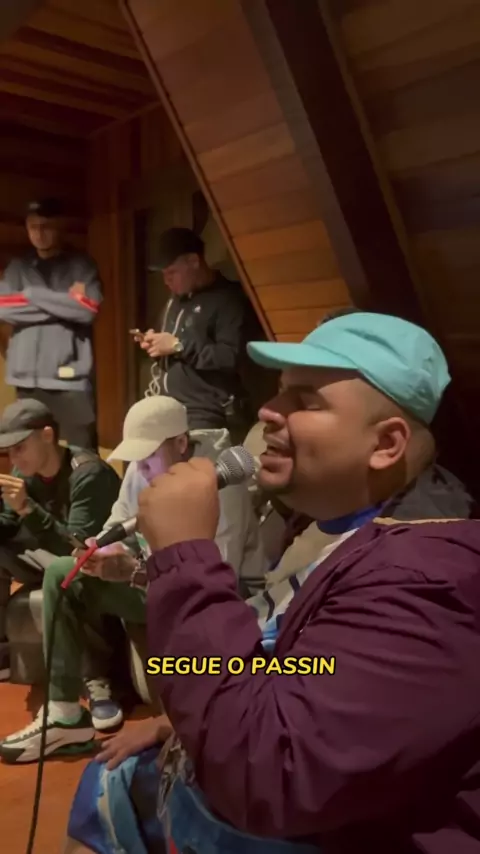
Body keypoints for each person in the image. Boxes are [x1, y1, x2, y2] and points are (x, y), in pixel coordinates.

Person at [64, 312, 480, 854]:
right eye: (280, 390)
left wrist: (184, 557)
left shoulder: (428, 581)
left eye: (305, 400)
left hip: (307, 822)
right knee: (106, 780)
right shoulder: (330, 528)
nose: (267, 410)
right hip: (231, 772)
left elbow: (270, 775)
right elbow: (296, 666)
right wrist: (175, 721)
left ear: (386, 444)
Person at [0, 394, 266, 760]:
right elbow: (118, 522)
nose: (140, 469)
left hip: (224, 598)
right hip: (155, 580)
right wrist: (100, 550)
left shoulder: (221, 485)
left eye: (148, 457)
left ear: (181, 443)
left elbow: (216, 579)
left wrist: (137, 571)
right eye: (136, 459)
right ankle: (64, 714)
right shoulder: (142, 469)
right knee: (65, 571)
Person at [0, 398, 120, 683]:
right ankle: (3, 653)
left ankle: (98, 677)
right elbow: (7, 526)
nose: (14, 460)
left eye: (20, 448)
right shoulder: (24, 472)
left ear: (47, 435)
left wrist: (27, 508)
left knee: (68, 567)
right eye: (9, 452)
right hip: (47, 556)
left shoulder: (87, 473)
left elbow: (78, 548)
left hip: (102, 568)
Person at [139, 226, 259, 454]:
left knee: (197, 475)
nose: (166, 280)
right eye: (163, 273)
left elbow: (230, 356)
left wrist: (178, 346)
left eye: (172, 272)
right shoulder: (175, 301)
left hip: (205, 415)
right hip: (168, 409)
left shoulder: (228, 299)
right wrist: (154, 343)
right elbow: (171, 344)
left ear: (194, 261)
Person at [0, 198, 102, 448]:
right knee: (32, 451)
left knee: (81, 452)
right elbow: (3, 308)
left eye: (45, 226)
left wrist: (32, 295)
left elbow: (87, 309)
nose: (39, 233)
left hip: (69, 379)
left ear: (59, 227)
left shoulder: (80, 266)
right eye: (33, 227)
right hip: (26, 380)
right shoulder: (18, 267)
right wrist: (63, 305)